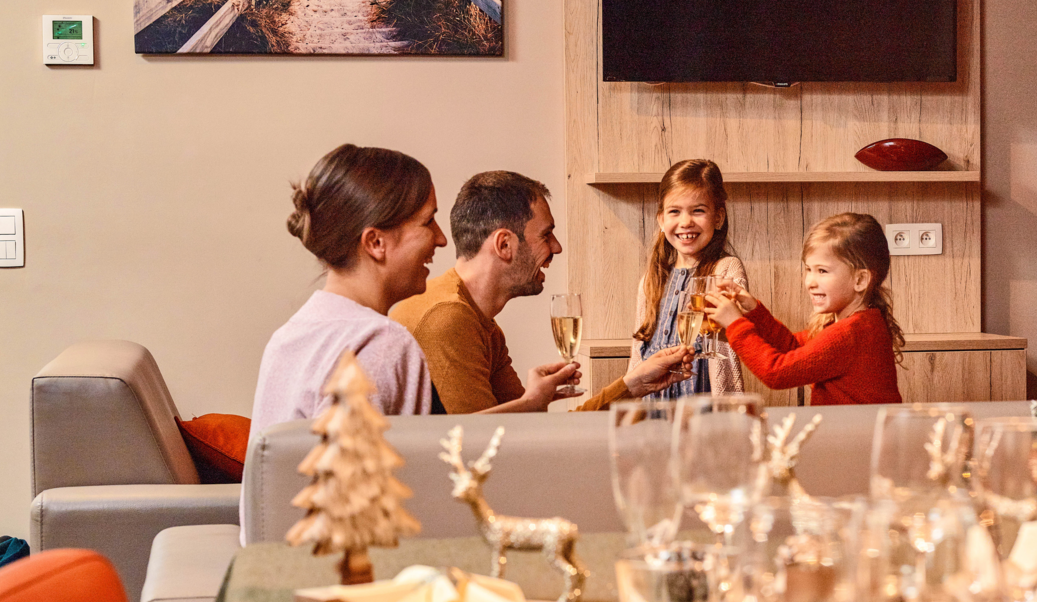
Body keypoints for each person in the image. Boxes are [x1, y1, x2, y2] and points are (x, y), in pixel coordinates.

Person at [252, 146, 689, 438]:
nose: (441, 241)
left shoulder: (294, 334)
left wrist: (627, 386)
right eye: (427, 223)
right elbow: (466, 463)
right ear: (375, 243)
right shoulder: (391, 339)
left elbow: (520, 437)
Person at [391, 171, 691, 413]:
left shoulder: (481, 322)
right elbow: (479, 448)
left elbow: (530, 433)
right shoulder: (448, 319)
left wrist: (634, 384)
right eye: (546, 235)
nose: (556, 247)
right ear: (504, 245)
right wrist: (530, 405)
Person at [703, 212, 905, 405]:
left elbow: (776, 373)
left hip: (858, 439)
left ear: (860, 280)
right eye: (808, 269)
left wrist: (735, 324)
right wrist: (755, 312)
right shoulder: (855, 323)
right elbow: (793, 347)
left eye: (822, 271)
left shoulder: (849, 333)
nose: (810, 282)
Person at [627, 159, 748, 399]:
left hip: (707, 411)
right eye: (675, 211)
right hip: (654, 410)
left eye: (698, 210)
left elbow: (738, 331)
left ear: (718, 217)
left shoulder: (725, 269)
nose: (685, 222)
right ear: (661, 220)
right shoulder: (652, 279)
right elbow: (637, 355)